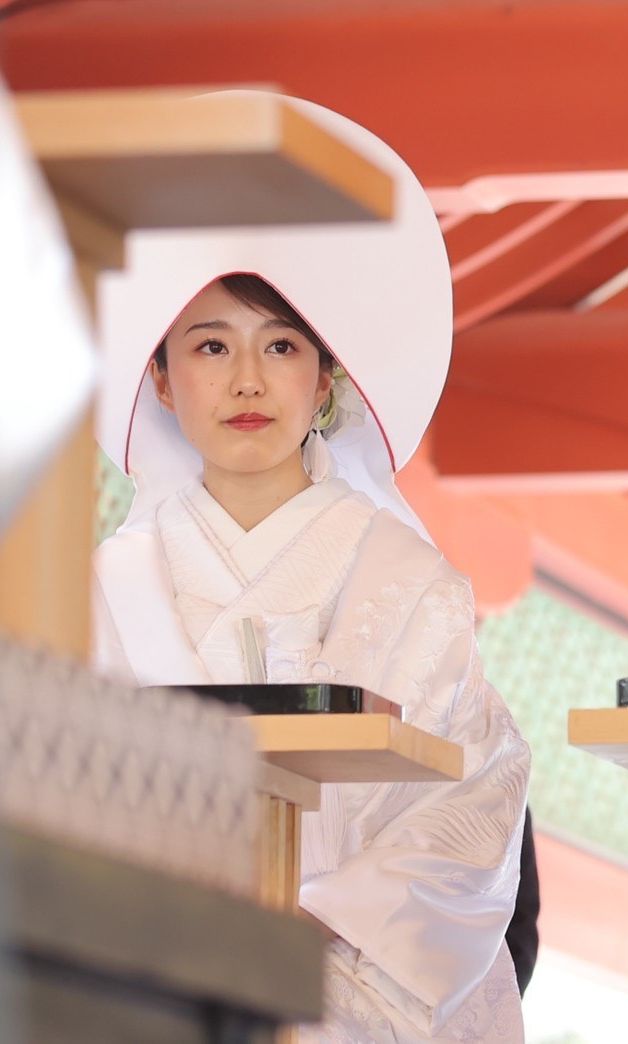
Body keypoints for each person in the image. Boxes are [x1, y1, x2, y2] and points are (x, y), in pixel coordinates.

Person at [90, 93, 530, 1043]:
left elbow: (475, 795)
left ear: (325, 378)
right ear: (159, 378)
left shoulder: (407, 583)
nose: (247, 380)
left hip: (351, 984)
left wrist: (308, 928)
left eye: (281, 346)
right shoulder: (103, 591)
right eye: (211, 346)